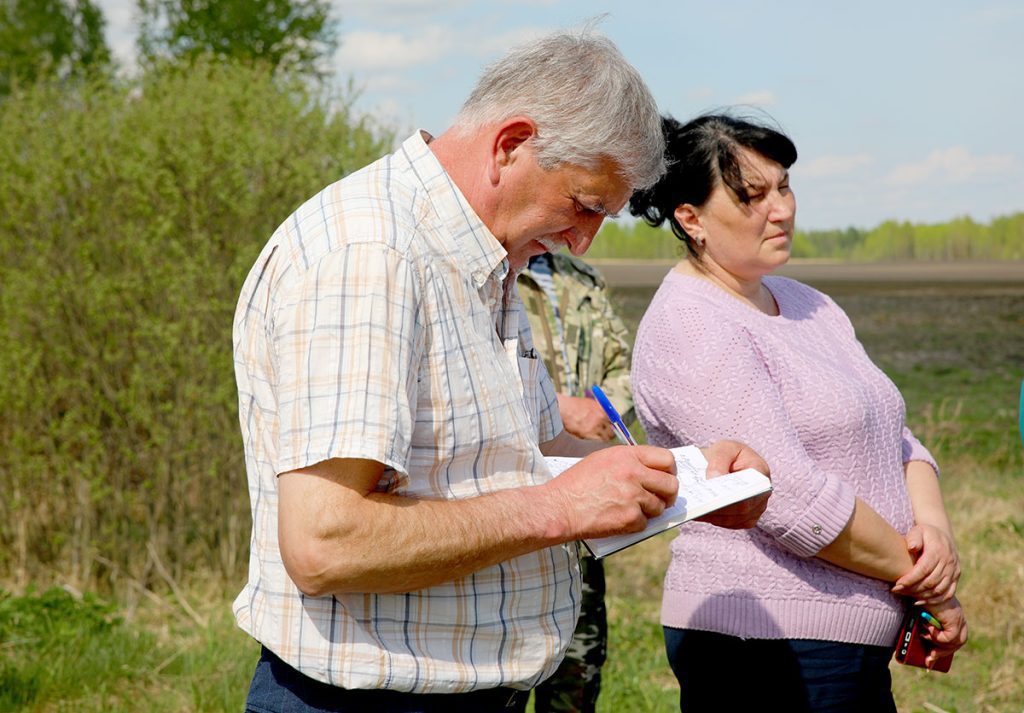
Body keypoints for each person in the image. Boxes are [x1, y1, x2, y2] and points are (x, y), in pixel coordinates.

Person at [232, 32, 771, 713]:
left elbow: (531, 452)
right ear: (511, 144)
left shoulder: (485, 261)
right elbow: (324, 541)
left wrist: (683, 473)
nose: (582, 242)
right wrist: (558, 508)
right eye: (583, 206)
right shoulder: (370, 255)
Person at [627, 113, 968, 712]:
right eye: (751, 196)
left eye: (783, 186)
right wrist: (927, 584)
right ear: (691, 218)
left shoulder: (811, 305)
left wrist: (934, 532)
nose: (780, 209)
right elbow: (784, 495)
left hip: (847, 633)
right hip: (764, 642)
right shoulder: (691, 322)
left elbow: (898, 437)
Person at [518, 252, 634, 712]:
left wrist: (602, 414)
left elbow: (622, 370)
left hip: (583, 516)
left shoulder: (583, 280)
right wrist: (560, 412)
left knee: (578, 678)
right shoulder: (493, 273)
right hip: (516, 501)